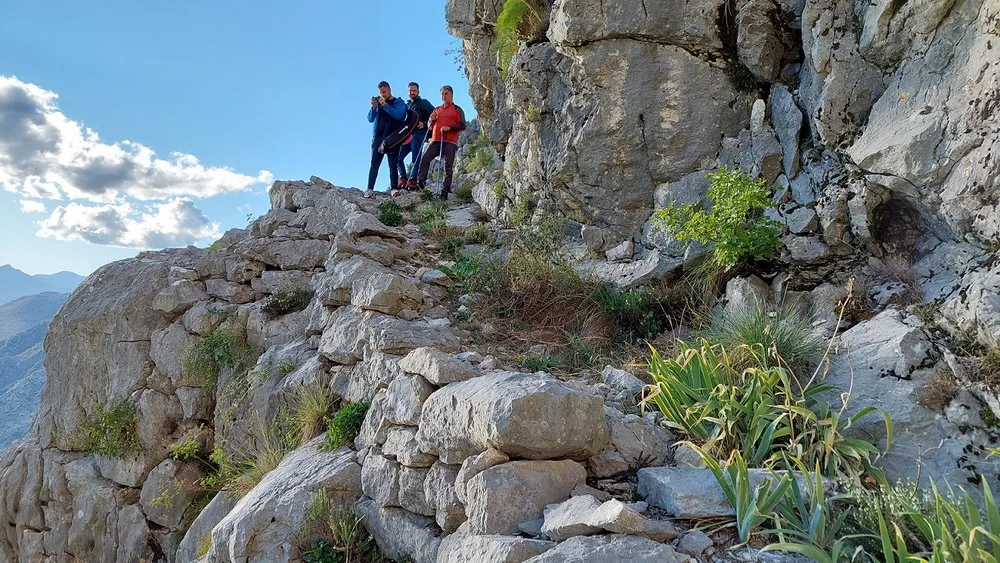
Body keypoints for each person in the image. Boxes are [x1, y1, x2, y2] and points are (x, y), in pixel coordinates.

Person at [414, 85, 468, 200]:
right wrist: (430, 120)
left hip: (450, 141)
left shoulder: (457, 109)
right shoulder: (436, 110)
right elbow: (429, 126)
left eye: (446, 93)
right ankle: (420, 186)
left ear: (452, 95)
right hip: (435, 140)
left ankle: (444, 192)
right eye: (442, 94)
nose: (444, 96)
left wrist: (450, 127)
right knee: (425, 159)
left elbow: (463, 125)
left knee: (447, 166)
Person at [365, 81, 407, 198]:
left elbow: (399, 115)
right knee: (374, 164)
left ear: (389, 90)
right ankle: (369, 188)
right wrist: (374, 107)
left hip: (393, 137)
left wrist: (386, 106)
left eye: (384, 92)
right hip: (378, 137)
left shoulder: (398, 102)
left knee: (393, 164)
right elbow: (370, 118)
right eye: (380, 93)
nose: (382, 94)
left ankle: (394, 188)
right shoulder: (379, 104)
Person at [396, 82, 436, 190]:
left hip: (419, 134)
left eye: (414, 90)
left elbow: (435, 113)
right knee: (398, 157)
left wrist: (424, 123)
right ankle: (403, 179)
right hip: (407, 135)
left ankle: (413, 180)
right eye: (410, 91)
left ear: (418, 92)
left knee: (415, 158)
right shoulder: (407, 106)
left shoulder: (423, 103)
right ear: (408, 92)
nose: (412, 92)